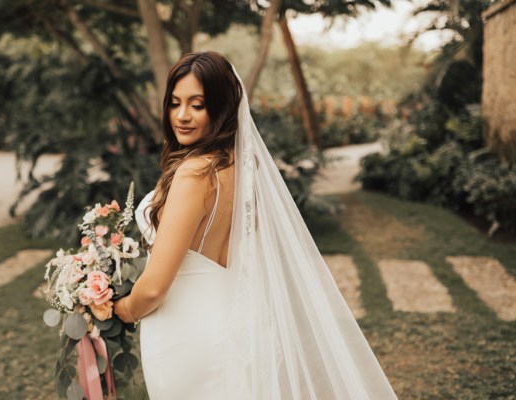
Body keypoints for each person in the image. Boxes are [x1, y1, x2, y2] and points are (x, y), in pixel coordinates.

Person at [113, 51, 398, 400]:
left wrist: (119, 310)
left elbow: (154, 289)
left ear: (221, 108)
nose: (182, 116)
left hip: (187, 335)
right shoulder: (243, 170)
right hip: (235, 328)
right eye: (174, 103)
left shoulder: (193, 173)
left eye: (197, 105)